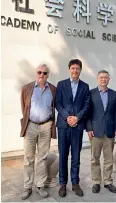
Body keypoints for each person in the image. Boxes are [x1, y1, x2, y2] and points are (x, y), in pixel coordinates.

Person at [20, 64, 56, 200]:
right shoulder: (27, 88)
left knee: (42, 157)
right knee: (28, 158)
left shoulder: (53, 89)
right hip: (30, 126)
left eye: (45, 73)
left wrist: (51, 123)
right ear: (36, 73)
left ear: (48, 75)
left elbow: (54, 107)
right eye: (39, 72)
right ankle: (27, 186)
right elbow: (24, 107)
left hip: (46, 126)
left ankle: (40, 185)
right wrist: (27, 122)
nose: (42, 75)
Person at [56, 59, 90, 197]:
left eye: (77, 68)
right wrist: (67, 117)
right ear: (69, 69)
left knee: (76, 156)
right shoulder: (61, 84)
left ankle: (75, 183)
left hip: (77, 126)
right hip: (64, 126)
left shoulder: (85, 86)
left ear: (80, 70)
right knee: (63, 156)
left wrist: (77, 118)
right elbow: (58, 103)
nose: (75, 70)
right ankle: (63, 184)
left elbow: (87, 105)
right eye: (73, 68)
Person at [86, 70, 116, 194]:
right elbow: (88, 113)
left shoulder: (114, 94)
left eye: (106, 77)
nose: (103, 79)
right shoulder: (91, 93)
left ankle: (108, 181)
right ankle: (96, 181)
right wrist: (89, 128)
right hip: (95, 131)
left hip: (110, 131)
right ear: (97, 79)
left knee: (109, 158)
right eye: (101, 77)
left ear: (109, 79)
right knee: (94, 158)